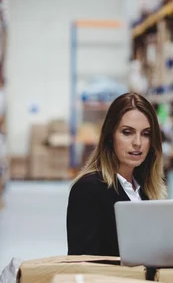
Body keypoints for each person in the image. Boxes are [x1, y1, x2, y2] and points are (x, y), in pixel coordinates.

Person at [67, 92, 167, 256]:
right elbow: (82, 263)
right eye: (127, 132)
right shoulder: (88, 189)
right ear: (110, 136)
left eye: (146, 134)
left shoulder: (147, 191)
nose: (137, 143)